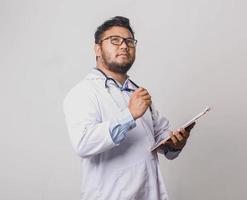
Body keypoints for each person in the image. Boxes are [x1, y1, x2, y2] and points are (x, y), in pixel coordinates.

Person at [63, 16, 195, 200]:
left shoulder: (139, 93)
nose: (124, 46)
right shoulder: (83, 92)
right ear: (97, 48)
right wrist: (129, 115)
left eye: (129, 41)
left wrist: (174, 144)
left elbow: (158, 135)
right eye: (115, 40)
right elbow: (83, 143)